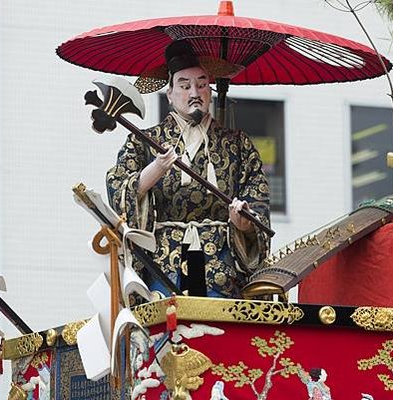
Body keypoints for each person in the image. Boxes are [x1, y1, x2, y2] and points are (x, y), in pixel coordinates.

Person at [106, 40, 270, 298]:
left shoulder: (237, 144)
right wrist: (154, 171)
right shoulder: (145, 141)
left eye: (202, 84)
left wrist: (245, 224)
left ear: (210, 91)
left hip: (220, 265)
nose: (195, 92)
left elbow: (257, 202)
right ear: (170, 93)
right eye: (184, 85)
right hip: (164, 264)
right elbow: (117, 190)